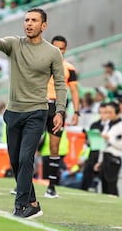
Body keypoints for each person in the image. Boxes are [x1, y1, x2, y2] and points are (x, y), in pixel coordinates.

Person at [0, 8, 66, 219]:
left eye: (34, 20)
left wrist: (60, 111)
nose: (29, 23)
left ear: (43, 26)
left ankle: (20, 207)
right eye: (26, 20)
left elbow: (61, 84)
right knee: (16, 162)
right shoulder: (14, 44)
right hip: (13, 112)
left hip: (36, 112)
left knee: (26, 158)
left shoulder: (52, 52)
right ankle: (33, 203)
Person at [44, 35, 80, 198]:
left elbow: (74, 91)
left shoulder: (69, 68)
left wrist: (77, 112)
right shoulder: (41, 63)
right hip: (39, 105)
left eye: (62, 48)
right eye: (56, 47)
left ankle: (51, 186)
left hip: (57, 108)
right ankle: (22, 184)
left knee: (54, 147)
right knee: (30, 145)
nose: (59, 50)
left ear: (66, 49)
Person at [94, 101, 122, 196]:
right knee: (104, 185)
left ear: (117, 112)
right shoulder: (108, 124)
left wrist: (109, 139)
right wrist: (99, 161)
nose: (108, 115)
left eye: (110, 112)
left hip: (114, 158)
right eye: (106, 112)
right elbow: (103, 145)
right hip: (105, 157)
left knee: (111, 185)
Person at [81, 102, 109, 191]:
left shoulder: (111, 126)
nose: (102, 115)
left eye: (105, 112)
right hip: (93, 153)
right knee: (87, 176)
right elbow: (87, 142)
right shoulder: (94, 125)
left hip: (105, 155)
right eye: (100, 112)